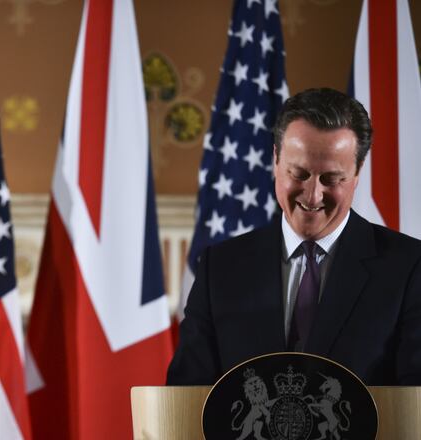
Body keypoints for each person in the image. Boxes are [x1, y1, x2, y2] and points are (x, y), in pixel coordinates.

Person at [168, 88, 421, 386]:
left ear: (357, 172)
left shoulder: (408, 268)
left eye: (331, 179)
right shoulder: (219, 267)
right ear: (275, 160)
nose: (313, 196)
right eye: (298, 174)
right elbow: (186, 394)